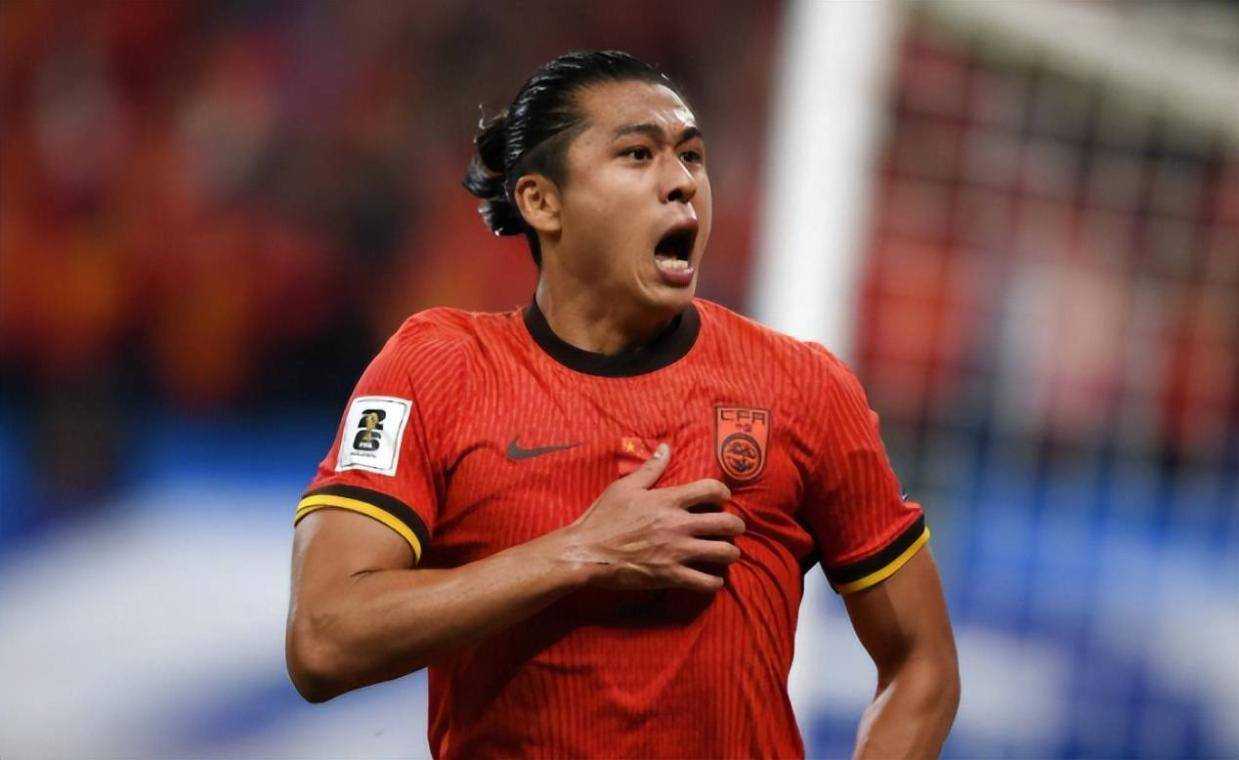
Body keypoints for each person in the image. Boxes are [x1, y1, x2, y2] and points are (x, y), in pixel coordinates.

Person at [285, 50, 959, 759]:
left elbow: (922, 664)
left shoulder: (801, 386)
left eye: (691, 156)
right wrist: (584, 552)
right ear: (541, 202)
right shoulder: (438, 368)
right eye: (638, 153)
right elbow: (324, 641)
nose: (682, 182)